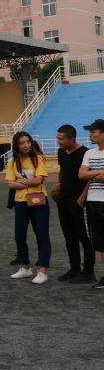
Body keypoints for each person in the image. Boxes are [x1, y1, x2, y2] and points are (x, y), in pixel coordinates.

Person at [7, 131, 50, 284]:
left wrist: (21, 181)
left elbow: (39, 180)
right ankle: (25, 267)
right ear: (16, 145)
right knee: (19, 235)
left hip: (39, 201)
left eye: (28, 142)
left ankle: (43, 271)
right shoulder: (12, 161)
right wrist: (29, 182)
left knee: (42, 234)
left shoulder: (38, 158)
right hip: (20, 202)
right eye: (22, 143)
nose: (26, 145)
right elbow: (10, 184)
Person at [55, 124, 94, 283]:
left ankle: (89, 272)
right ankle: (74, 268)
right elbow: (62, 170)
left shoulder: (85, 153)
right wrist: (59, 186)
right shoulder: (61, 152)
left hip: (78, 202)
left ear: (72, 139)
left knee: (84, 237)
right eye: (57, 138)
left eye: (61, 138)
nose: (58, 141)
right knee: (69, 237)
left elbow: (90, 179)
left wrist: (82, 199)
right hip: (63, 201)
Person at [78, 119, 104, 289]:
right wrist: (100, 172)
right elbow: (81, 175)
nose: (90, 135)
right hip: (93, 201)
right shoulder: (89, 153)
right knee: (100, 242)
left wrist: (91, 173)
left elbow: (88, 174)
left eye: (94, 131)